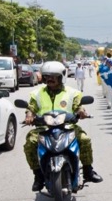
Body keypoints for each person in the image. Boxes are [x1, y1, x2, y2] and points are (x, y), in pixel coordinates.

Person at [23, 61, 103, 191]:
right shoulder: (37, 94)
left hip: (67, 126)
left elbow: (78, 106)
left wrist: (81, 112)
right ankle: (38, 176)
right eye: (47, 76)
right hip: (44, 128)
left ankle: (88, 171)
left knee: (84, 140)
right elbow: (31, 107)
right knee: (30, 143)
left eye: (54, 76)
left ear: (61, 77)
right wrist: (29, 115)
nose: (50, 79)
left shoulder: (72, 93)